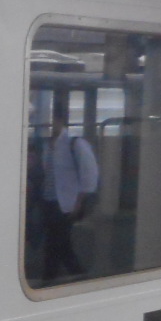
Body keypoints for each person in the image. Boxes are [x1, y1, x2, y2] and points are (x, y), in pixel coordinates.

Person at [39, 112, 99, 282]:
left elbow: (90, 174)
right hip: (49, 201)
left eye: (52, 121)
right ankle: (76, 276)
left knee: (55, 242)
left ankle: (51, 277)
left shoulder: (75, 144)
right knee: (60, 243)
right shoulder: (47, 145)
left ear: (60, 121)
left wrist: (78, 202)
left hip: (66, 203)